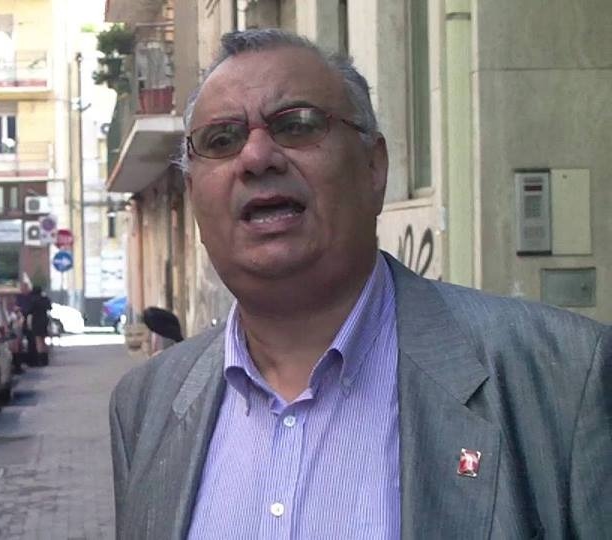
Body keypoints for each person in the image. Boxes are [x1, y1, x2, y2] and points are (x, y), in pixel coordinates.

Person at [109, 29, 610, 539]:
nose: (257, 157)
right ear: (193, 192)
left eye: (297, 124)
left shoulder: (564, 376)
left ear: (374, 167)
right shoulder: (146, 405)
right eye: (221, 139)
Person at [25, 285, 52, 366]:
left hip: (36, 321)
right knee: (43, 340)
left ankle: (41, 359)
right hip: (44, 320)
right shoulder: (45, 299)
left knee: (38, 341)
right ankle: (45, 358)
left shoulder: (33, 300)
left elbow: (29, 310)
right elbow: (50, 307)